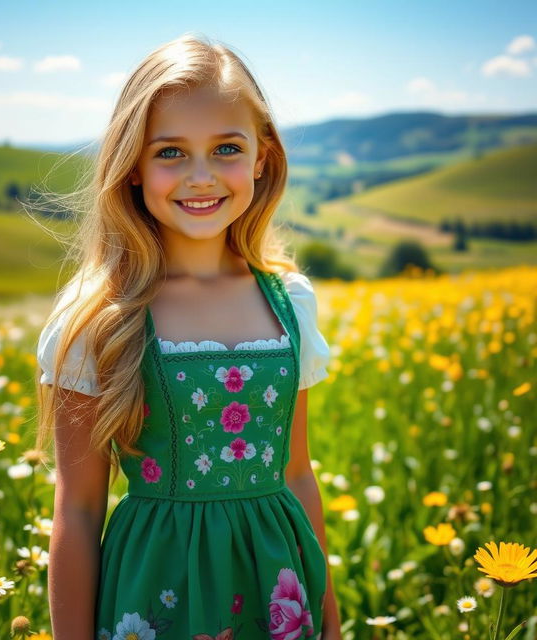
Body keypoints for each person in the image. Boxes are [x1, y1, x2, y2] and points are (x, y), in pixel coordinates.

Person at [35, 33, 342, 640]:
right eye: (170, 152)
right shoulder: (99, 315)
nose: (201, 177)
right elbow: (77, 509)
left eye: (226, 147)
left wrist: (330, 625)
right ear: (132, 167)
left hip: (275, 587)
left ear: (261, 156)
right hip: (155, 593)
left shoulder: (289, 303)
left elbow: (297, 474)